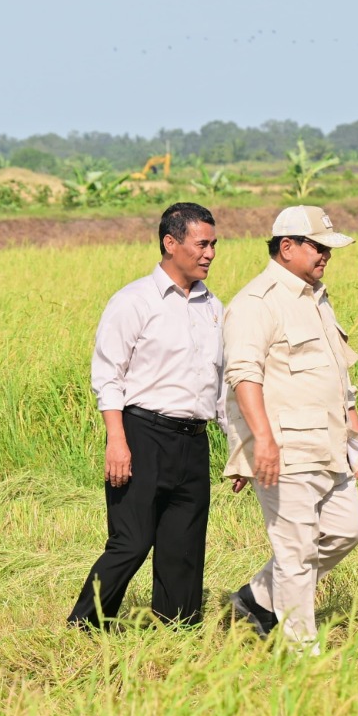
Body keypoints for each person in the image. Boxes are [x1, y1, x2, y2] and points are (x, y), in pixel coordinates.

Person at [66, 202, 225, 629]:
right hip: (141, 433)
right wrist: (116, 440)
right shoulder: (134, 301)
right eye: (201, 244)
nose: (210, 253)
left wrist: (238, 445)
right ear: (170, 243)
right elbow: (107, 375)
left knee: (184, 545)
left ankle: (178, 629)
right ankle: (85, 624)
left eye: (214, 244)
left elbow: (220, 381)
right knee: (132, 541)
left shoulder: (213, 307)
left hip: (194, 439)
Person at [224, 205, 358, 651]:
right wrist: (261, 442)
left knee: (348, 529)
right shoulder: (256, 303)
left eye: (328, 247)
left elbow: (336, 370)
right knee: (296, 551)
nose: (326, 254)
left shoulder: (316, 296)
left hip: (328, 443)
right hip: (285, 448)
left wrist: (353, 428)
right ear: (286, 247)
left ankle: (257, 598)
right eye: (318, 246)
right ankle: (299, 651)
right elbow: (244, 375)